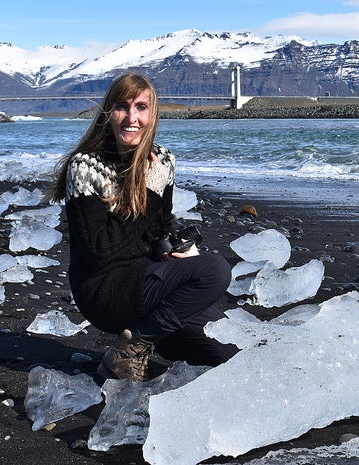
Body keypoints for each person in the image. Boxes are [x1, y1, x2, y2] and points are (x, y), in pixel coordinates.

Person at [46, 73, 237, 382]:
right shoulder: (86, 166)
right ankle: (134, 346)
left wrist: (177, 248)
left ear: (153, 114)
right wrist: (148, 187)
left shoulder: (162, 160)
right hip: (104, 288)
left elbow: (159, 227)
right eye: (122, 107)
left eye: (141, 107)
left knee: (233, 351)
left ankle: (155, 334)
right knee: (215, 270)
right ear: (109, 112)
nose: (131, 118)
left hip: (149, 281)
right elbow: (99, 250)